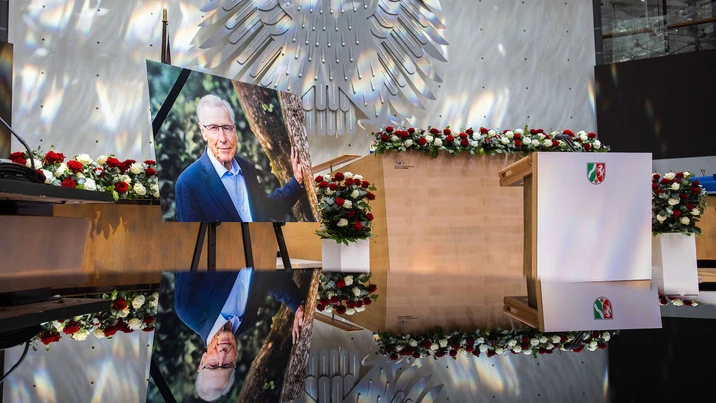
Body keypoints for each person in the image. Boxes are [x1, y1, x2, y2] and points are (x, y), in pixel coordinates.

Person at [174, 269, 306, 402]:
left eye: (213, 365)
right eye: (227, 364)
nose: (222, 354)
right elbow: (266, 280)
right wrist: (297, 305)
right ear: (236, 357)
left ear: (203, 360)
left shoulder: (187, 307)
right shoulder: (247, 323)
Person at [174, 94, 305, 222]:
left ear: (235, 131)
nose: (223, 138)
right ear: (203, 132)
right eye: (213, 128)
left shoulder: (247, 168)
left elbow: (267, 209)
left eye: (227, 128)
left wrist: (297, 182)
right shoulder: (188, 183)